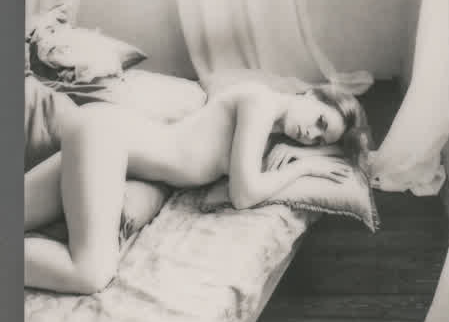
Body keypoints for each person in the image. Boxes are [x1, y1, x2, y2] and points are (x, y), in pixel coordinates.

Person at [25, 81, 370, 295]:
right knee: (90, 273)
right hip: (105, 138)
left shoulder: (270, 128)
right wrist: (304, 167)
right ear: (311, 93)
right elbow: (244, 194)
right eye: (319, 121)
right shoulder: (261, 101)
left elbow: (342, 156)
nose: (310, 134)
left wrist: (306, 152)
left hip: (103, 138)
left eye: (318, 140)